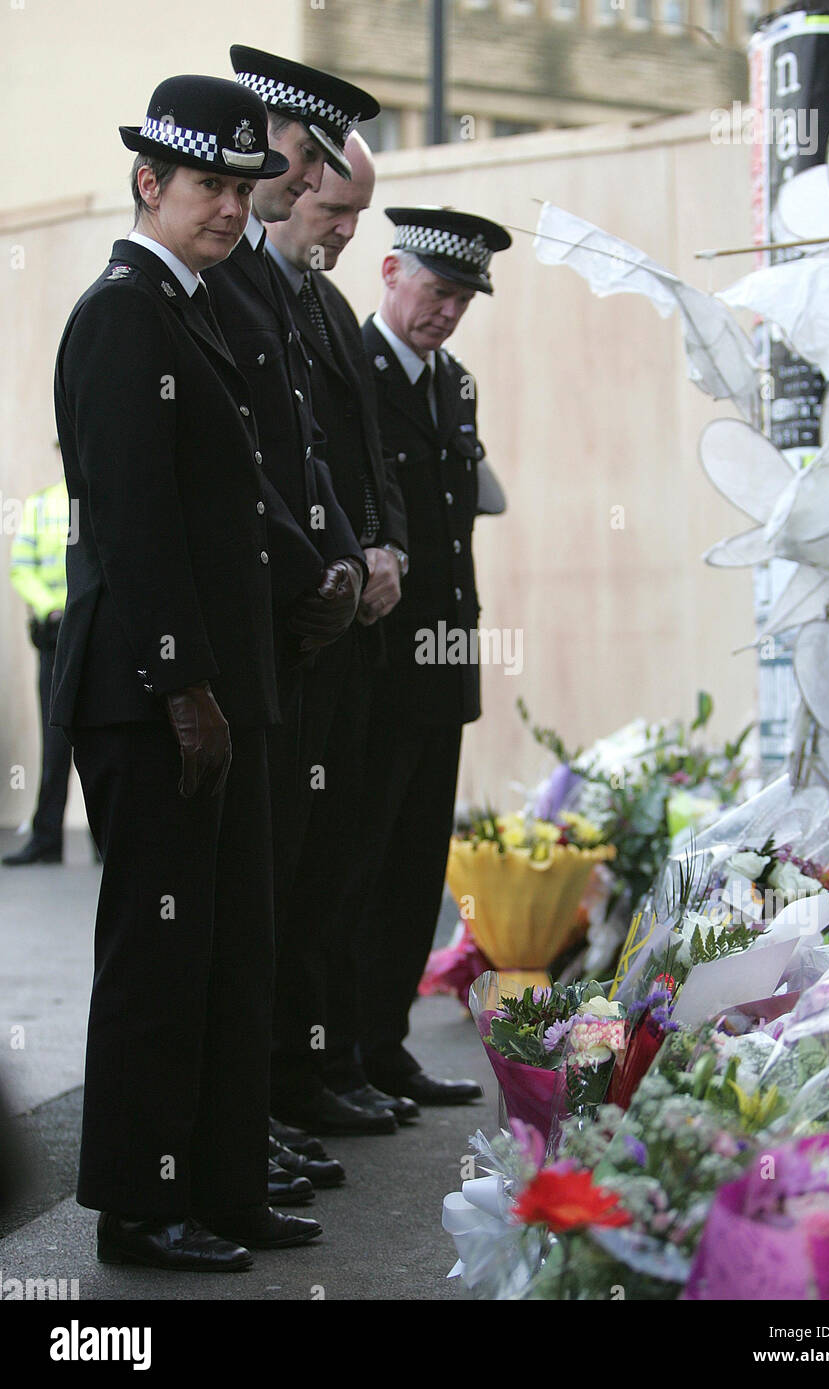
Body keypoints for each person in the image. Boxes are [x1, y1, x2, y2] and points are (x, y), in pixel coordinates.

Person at [51, 74, 322, 1270]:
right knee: (162, 954)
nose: (228, 206)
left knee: (225, 948)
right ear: (148, 183)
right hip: (157, 695)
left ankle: (217, 1184)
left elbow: (232, 508)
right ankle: (141, 1202)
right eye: (206, 184)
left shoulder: (192, 308)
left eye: (240, 184)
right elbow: (134, 519)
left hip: (219, 686)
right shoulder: (124, 313)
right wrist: (182, 686)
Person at [204, 47, 391, 1143]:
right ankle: (234, 1124)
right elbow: (240, 469)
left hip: (304, 619)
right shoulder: (203, 283)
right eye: (312, 162)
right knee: (228, 912)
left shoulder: (280, 289)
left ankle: (266, 1105)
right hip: (245, 636)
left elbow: (321, 457)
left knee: (300, 884)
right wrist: (319, 567)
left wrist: (362, 552)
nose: (314, 192)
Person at [264, 135, 418, 1132]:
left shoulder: (321, 304)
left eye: (361, 216)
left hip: (351, 619)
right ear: (297, 182)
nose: (348, 231)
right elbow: (272, 466)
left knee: (338, 869)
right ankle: (279, 1089)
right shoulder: (249, 293)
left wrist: (389, 545)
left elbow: (369, 455)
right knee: (290, 877)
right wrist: (335, 560)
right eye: (335, 212)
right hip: (296, 626)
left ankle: (317, 1071)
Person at [353, 207, 512, 1105]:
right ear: (390, 272)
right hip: (376, 665)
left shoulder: (455, 386)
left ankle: (385, 1043)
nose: (446, 312)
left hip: (443, 659)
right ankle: (337, 1052)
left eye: (461, 299)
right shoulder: (353, 373)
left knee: (418, 867)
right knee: (361, 865)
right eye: (436, 289)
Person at [4, 476, 72, 866]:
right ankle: (47, 837)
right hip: (56, 634)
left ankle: (106, 843)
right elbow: (21, 567)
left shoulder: (104, 491)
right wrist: (52, 606)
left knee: (105, 737)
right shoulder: (42, 504)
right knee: (55, 739)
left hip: (98, 633)